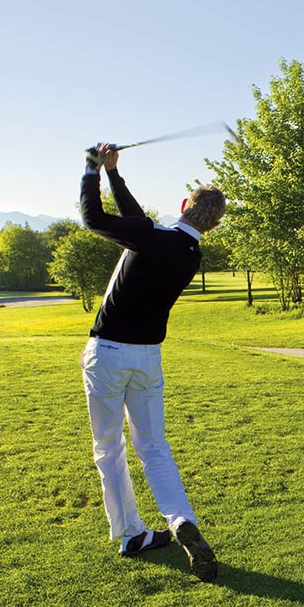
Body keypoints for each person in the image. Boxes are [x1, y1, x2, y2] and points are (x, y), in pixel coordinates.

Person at [79, 142, 225, 582]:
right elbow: (138, 224)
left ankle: (131, 533)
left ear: (184, 204)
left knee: (109, 447)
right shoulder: (189, 254)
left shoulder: (149, 236)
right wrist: (114, 174)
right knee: (154, 448)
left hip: (106, 355)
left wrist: (92, 168)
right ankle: (180, 520)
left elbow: (95, 219)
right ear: (213, 224)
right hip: (147, 359)